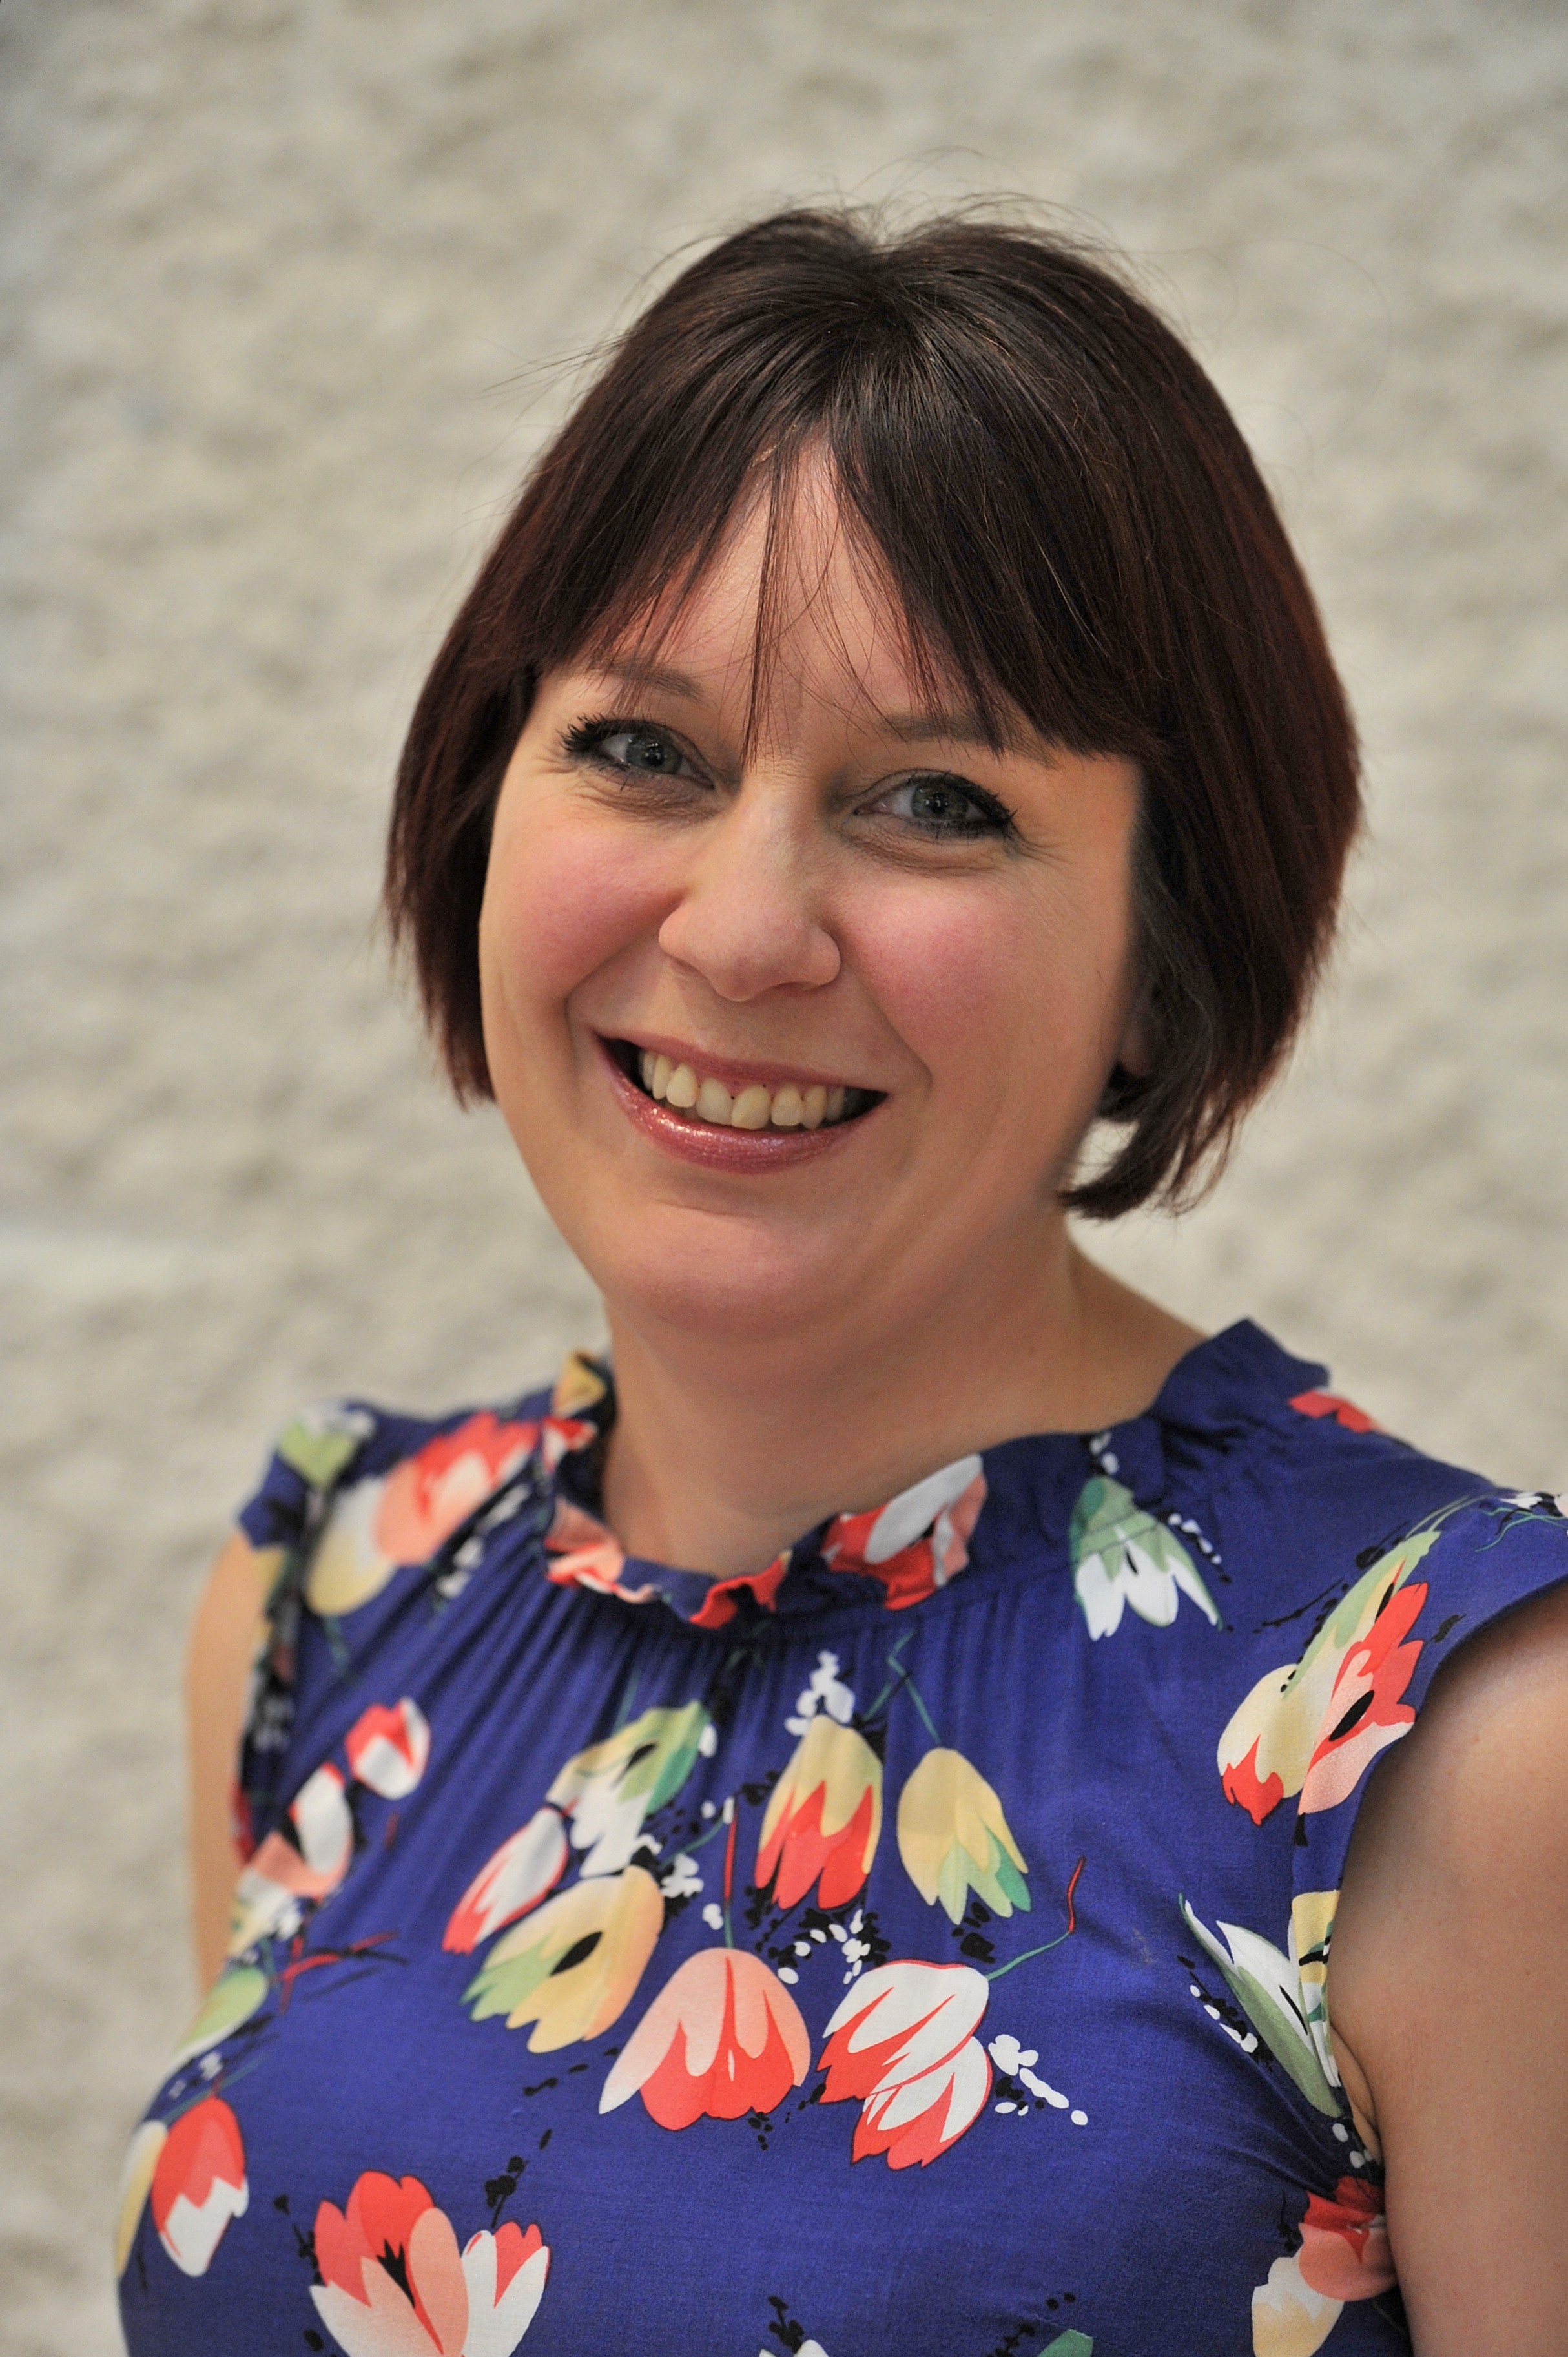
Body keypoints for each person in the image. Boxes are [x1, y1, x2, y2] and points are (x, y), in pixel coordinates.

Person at [115, 208, 1567, 2357]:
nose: (740, 928)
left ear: (1159, 952)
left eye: (930, 799)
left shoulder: (1460, 1738)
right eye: (643, 749)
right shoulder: (325, 1599)